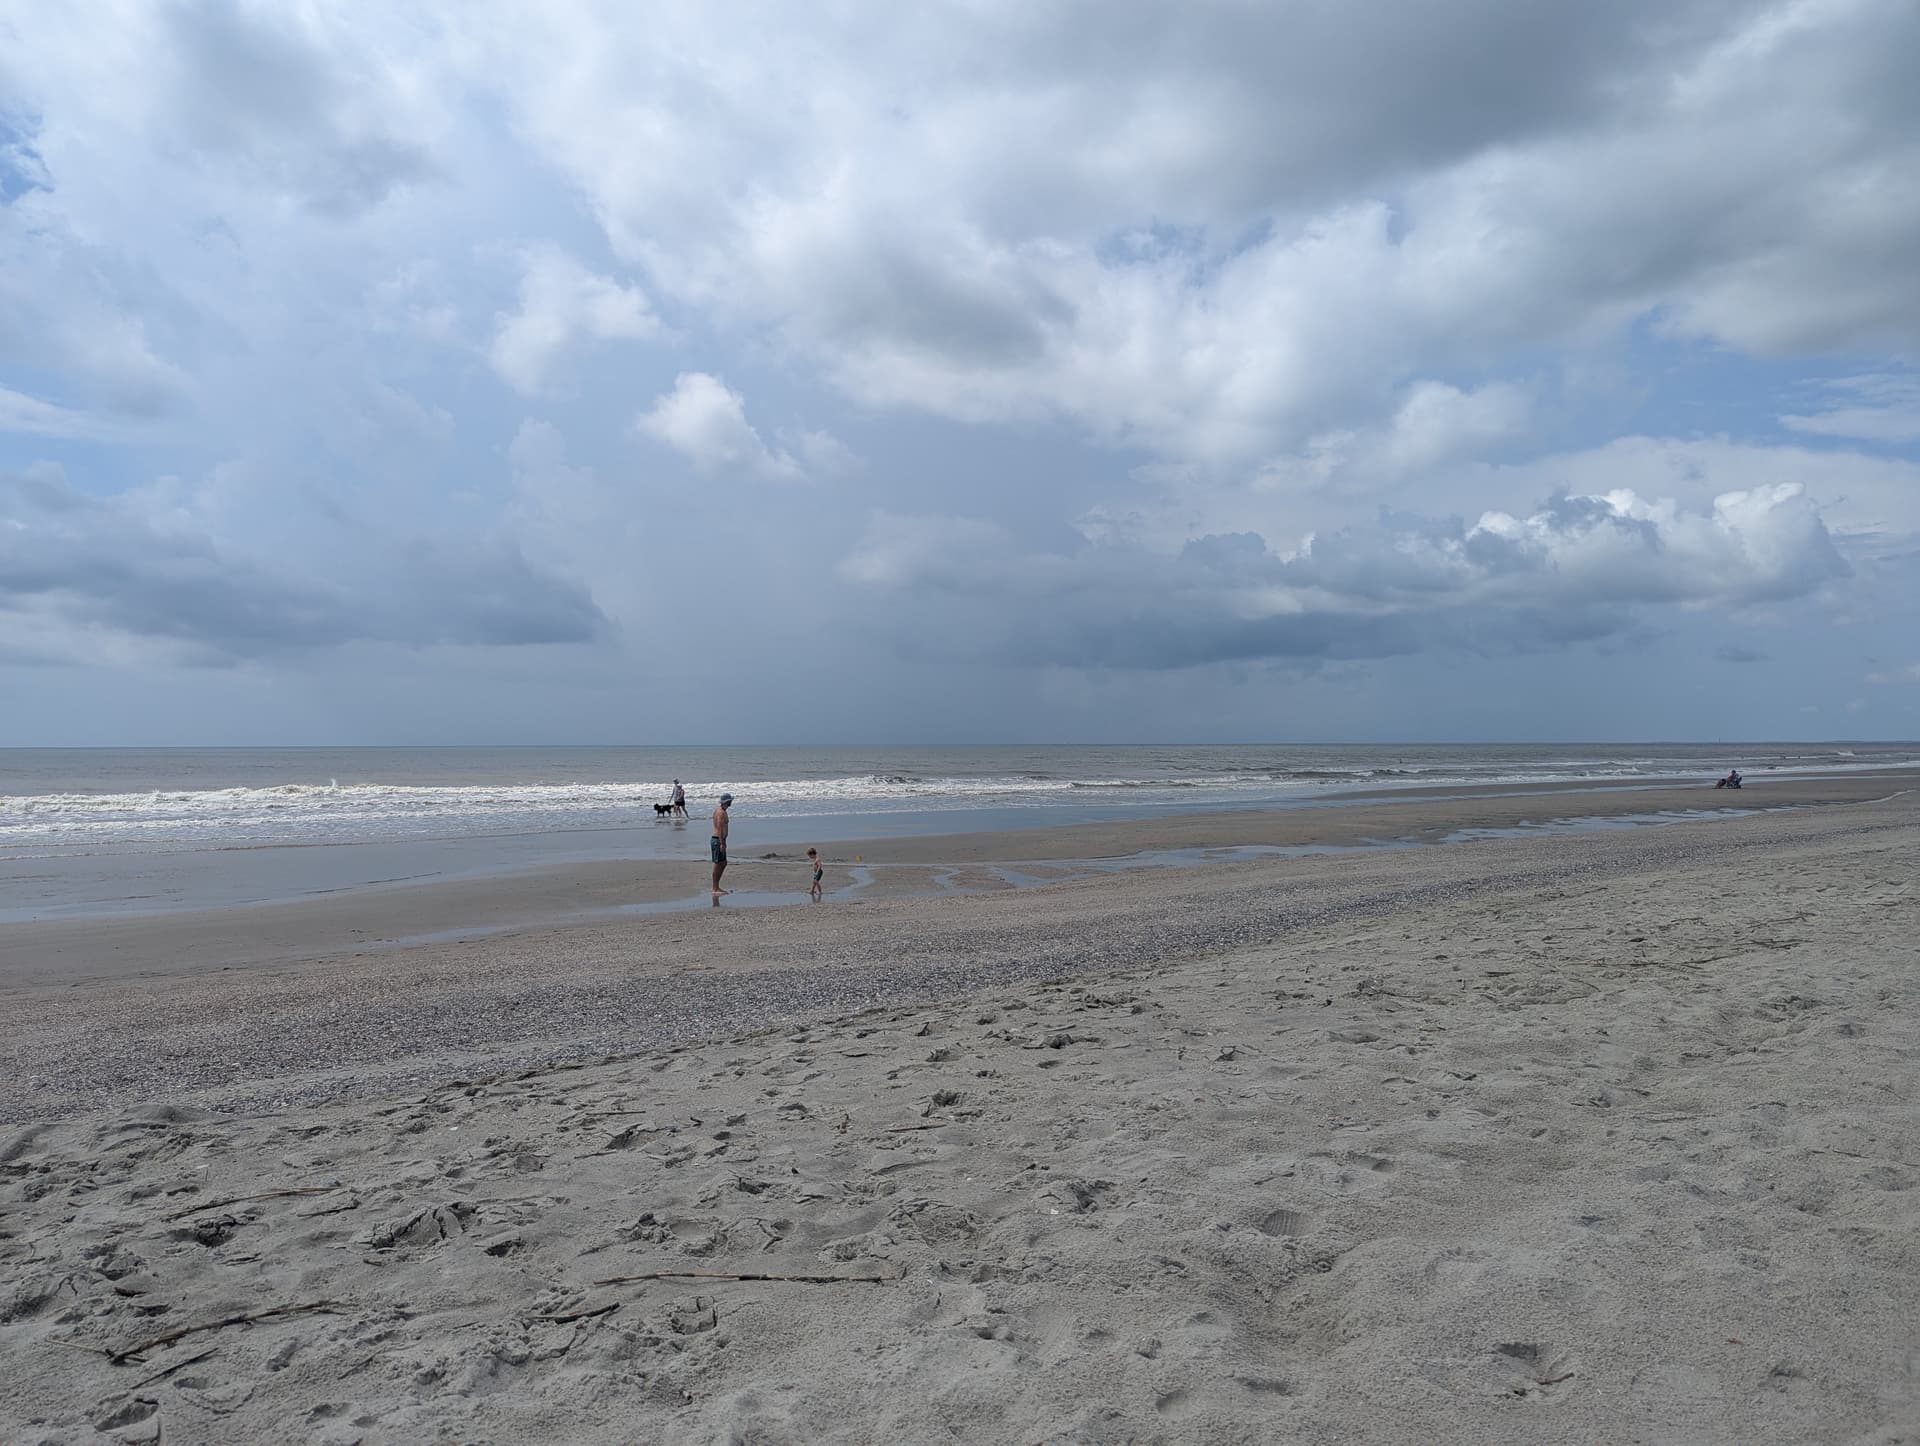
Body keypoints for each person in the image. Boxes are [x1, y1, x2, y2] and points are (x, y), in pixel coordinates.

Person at [711, 792, 734, 900]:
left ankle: (716, 887)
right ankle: (715, 888)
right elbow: (720, 828)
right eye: (730, 801)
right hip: (717, 840)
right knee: (718, 864)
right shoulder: (720, 812)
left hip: (719, 840)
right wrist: (721, 843)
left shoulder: (720, 810)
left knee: (723, 863)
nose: (731, 802)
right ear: (727, 801)